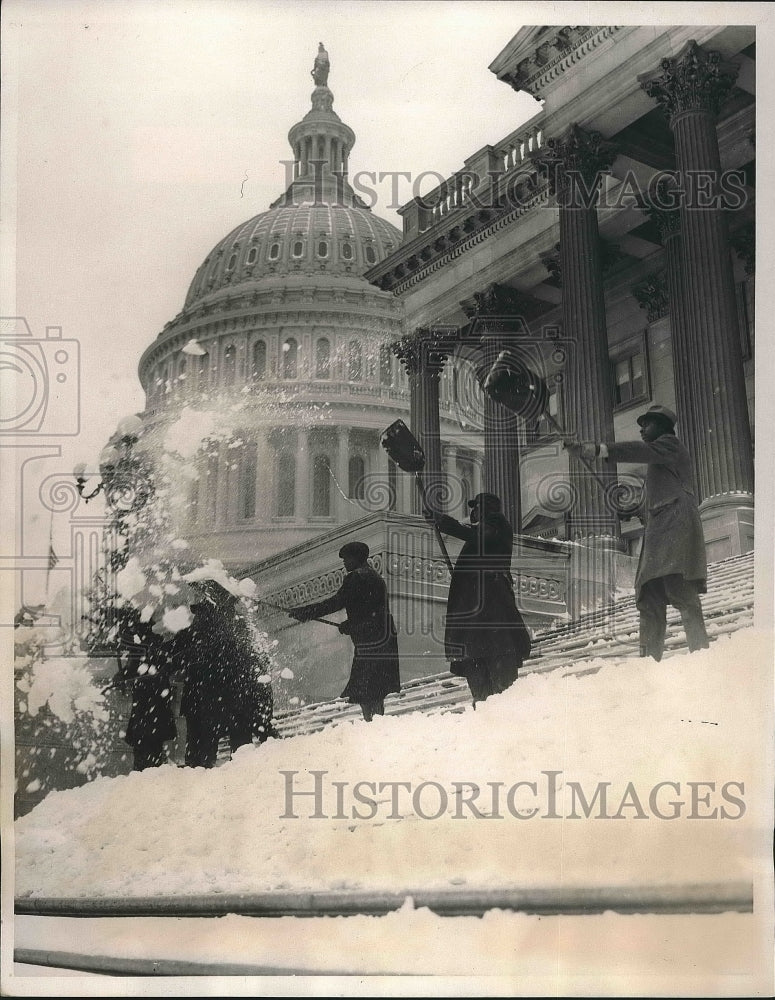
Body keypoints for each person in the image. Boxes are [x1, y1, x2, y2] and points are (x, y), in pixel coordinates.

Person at [565, 403, 710, 661]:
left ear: (663, 427)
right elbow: (655, 504)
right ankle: (647, 664)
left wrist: (598, 449)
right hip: (658, 539)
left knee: (681, 592)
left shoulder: (670, 445)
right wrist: (632, 509)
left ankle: (702, 655)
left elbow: (640, 450)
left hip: (675, 534)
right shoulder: (661, 462)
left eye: (647, 424)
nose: (642, 429)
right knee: (649, 600)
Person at [428, 493, 532, 707]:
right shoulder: (480, 532)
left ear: (485, 508)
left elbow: (479, 536)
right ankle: (483, 702)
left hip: (491, 606)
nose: (472, 513)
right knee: (478, 666)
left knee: (497, 667)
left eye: (476, 508)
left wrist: (446, 523)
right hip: (477, 614)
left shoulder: (497, 524)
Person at [287, 542, 400, 721]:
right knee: (376, 688)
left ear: (356, 558)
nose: (344, 563)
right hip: (384, 639)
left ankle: (372, 725)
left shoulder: (355, 578)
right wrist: (351, 624)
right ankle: (377, 723)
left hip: (369, 643)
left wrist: (304, 613)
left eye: (347, 559)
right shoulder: (376, 578)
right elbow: (372, 610)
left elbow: (335, 603)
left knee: (365, 689)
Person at [178, 580, 277, 768]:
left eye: (203, 593)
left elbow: (210, 649)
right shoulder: (227, 622)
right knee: (234, 743)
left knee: (216, 744)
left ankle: (206, 769)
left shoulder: (219, 622)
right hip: (228, 695)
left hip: (223, 695)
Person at [114, 620, 177, 772]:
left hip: (147, 707)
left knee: (146, 749)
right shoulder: (154, 647)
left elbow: (132, 669)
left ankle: (145, 776)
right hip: (152, 707)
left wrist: (121, 677)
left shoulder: (144, 649)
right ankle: (149, 774)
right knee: (151, 749)